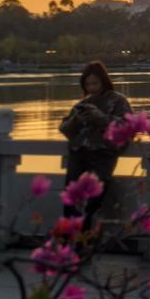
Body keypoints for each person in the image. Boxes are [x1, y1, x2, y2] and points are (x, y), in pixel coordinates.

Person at [58, 60, 131, 226]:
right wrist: (76, 120)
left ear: (104, 81)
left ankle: (87, 237)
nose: (91, 88)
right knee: (71, 197)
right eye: (88, 84)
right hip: (79, 153)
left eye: (95, 83)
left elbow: (127, 127)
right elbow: (64, 129)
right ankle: (69, 235)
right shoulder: (83, 104)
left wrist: (102, 118)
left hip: (103, 154)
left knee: (95, 198)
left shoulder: (118, 101)